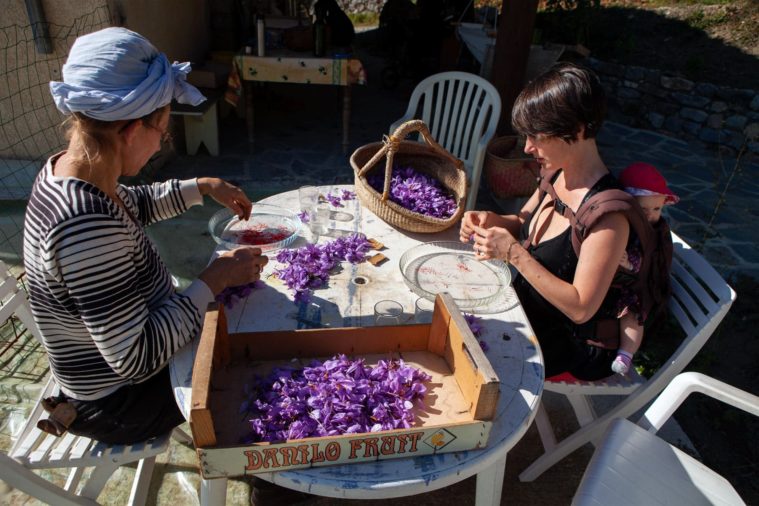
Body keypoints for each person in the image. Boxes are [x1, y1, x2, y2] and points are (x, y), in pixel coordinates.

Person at [23, 27, 268, 445]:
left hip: (112, 374)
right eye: (162, 132)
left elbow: (133, 203)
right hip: (120, 403)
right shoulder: (83, 228)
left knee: (242, 323)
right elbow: (138, 359)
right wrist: (215, 279)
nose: (160, 145)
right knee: (256, 373)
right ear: (132, 131)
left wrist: (205, 186)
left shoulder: (71, 171)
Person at [460, 62, 631, 380]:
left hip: (571, 344)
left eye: (537, 135)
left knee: (463, 356)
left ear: (577, 130)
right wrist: (492, 219)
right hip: (529, 313)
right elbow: (524, 220)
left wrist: (513, 254)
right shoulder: (556, 172)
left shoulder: (609, 218)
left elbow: (581, 308)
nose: (527, 147)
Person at [612, 162, 679, 374]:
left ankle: (626, 353)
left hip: (637, 286)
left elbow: (648, 259)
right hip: (615, 283)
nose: (651, 215)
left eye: (657, 209)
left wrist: (629, 263)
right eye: (643, 209)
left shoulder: (652, 232)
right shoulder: (621, 223)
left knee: (632, 315)